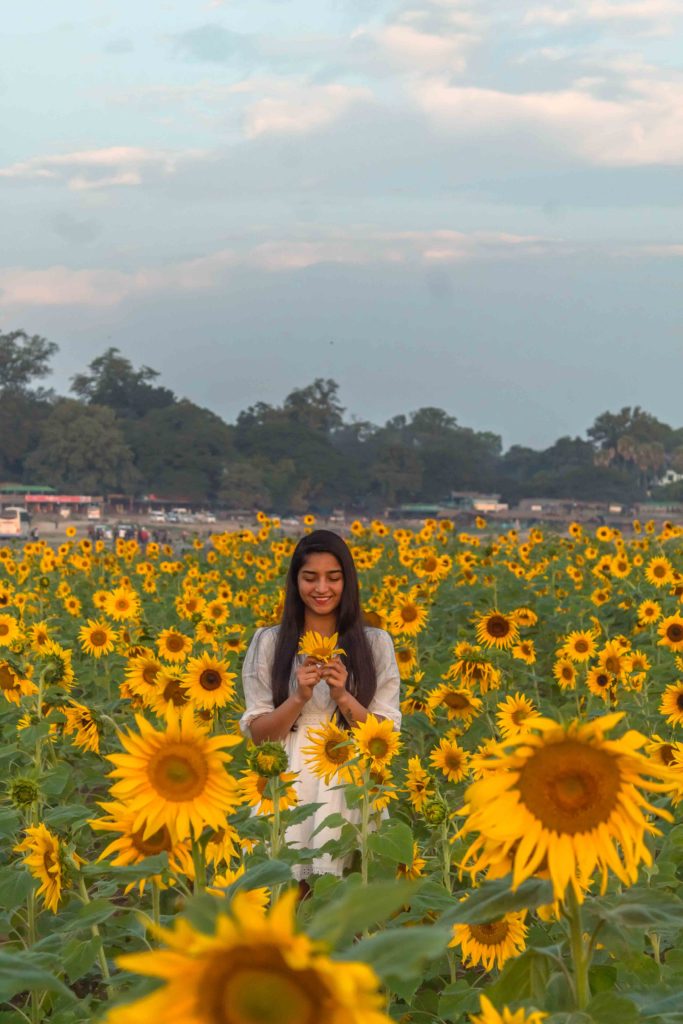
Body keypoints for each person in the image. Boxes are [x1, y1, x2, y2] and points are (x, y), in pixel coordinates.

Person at [239, 529, 401, 882]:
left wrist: (343, 697)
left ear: (348, 582)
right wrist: (298, 697)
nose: (321, 589)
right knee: (284, 891)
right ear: (295, 581)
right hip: (288, 778)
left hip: (350, 779)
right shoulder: (270, 642)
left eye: (333, 578)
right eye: (310, 578)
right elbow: (259, 737)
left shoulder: (374, 644)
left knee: (348, 894)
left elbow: (385, 735)